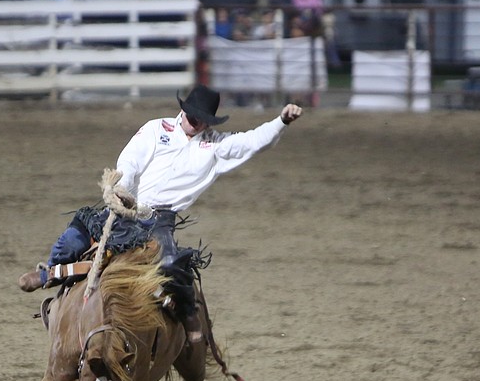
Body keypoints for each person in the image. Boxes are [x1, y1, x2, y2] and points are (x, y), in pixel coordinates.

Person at [17, 84, 303, 344]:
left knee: (169, 264)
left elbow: (252, 141)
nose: (197, 122)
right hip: (129, 205)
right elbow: (131, 159)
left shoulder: (215, 145)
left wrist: (281, 121)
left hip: (160, 218)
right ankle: (49, 274)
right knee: (73, 238)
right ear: (183, 110)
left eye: (203, 118)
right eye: (193, 116)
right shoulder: (157, 129)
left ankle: (188, 313)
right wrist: (123, 189)